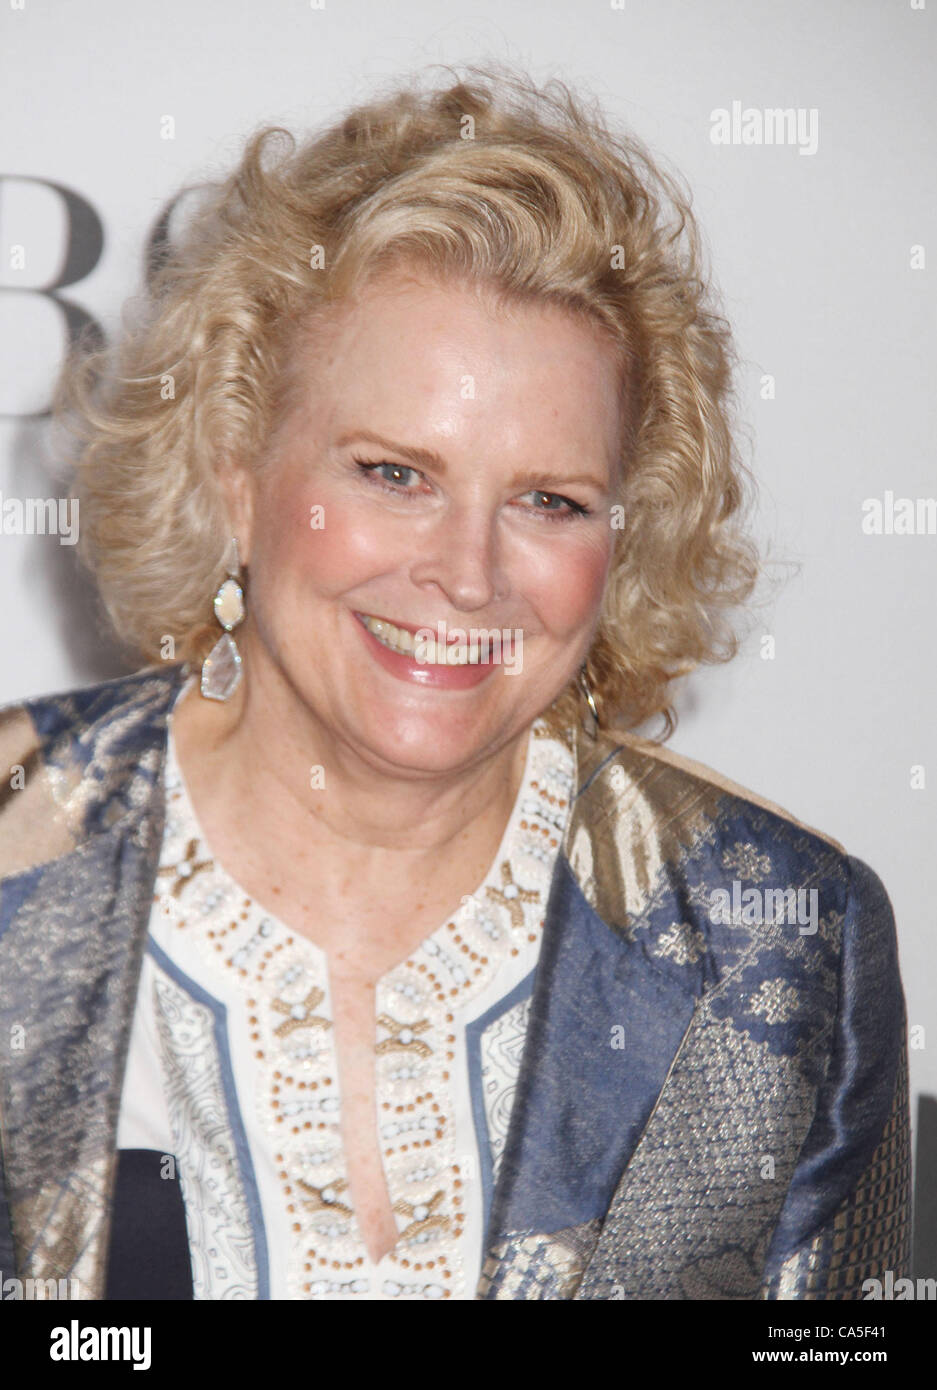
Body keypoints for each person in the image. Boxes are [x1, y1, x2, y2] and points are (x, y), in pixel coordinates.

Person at [0, 65, 910, 1301]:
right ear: (233, 470)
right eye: (392, 473)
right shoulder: (14, 856)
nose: (468, 576)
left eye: (550, 500)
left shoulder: (778, 937)